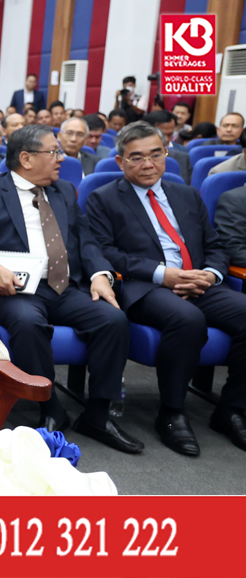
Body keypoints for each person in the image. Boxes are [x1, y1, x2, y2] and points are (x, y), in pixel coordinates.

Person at [0, 124, 138, 451]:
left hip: (64, 286)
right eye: (53, 151)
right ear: (26, 158)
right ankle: (50, 407)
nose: (61, 158)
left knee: (113, 319)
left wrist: (100, 273)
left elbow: (86, 241)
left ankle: (98, 414)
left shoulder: (64, 191)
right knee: (28, 322)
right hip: (15, 289)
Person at [86, 122, 246, 455]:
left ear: (166, 154)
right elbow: (107, 251)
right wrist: (163, 275)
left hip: (199, 282)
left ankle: (232, 408)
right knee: (187, 319)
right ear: (120, 162)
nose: (148, 164)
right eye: (137, 157)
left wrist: (210, 275)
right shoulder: (104, 198)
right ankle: (172, 412)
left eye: (156, 155)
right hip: (145, 287)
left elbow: (215, 245)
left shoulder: (186, 194)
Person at [143, 111, 192, 184]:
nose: (166, 139)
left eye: (170, 134)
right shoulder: (136, 156)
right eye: (162, 135)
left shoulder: (184, 155)